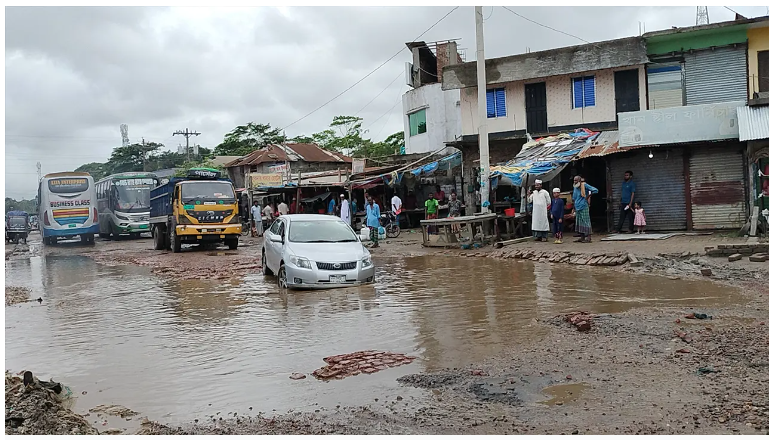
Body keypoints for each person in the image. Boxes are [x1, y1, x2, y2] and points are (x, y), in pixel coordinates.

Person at [572, 175, 598, 243]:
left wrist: (588, 196)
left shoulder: (584, 185)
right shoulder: (575, 187)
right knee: (579, 222)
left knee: (586, 222)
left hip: (584, 206)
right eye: (574, 180)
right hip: (577, 206)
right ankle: (582, 237)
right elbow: (574, 198)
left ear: (580, 180)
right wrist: (573, 207)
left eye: (576, 180)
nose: (575, 181)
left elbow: (595, 190)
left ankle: (589, 238)